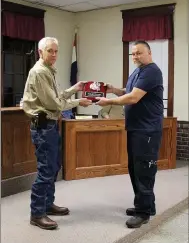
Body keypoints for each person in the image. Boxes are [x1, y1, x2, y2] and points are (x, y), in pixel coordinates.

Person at [22, 37, 92, 230]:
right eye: (50, 51)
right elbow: (55, 104)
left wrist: (74, 89)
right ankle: (37, 214)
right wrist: (79, 102)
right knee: (46, 170)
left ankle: (47, 205)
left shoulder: (49, 71)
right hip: (43, 127)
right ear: (40, 52)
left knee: (53, 167)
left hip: (51, 125)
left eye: (56, 51)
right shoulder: (39, 72)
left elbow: (58, 97)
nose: (54, 55)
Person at [96, 40, 164, 228]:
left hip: (147, 130)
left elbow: (133, 97)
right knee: (135, 168)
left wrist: (108, 101)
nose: (135, 57)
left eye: (139, 53)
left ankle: (143, 213)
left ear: (149, 53)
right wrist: (112, 90)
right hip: (136, 128)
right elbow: (130, 91)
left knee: (144, 170)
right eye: (133, 54)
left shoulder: (151, 70)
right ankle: (146, 205)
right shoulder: (138, 71)